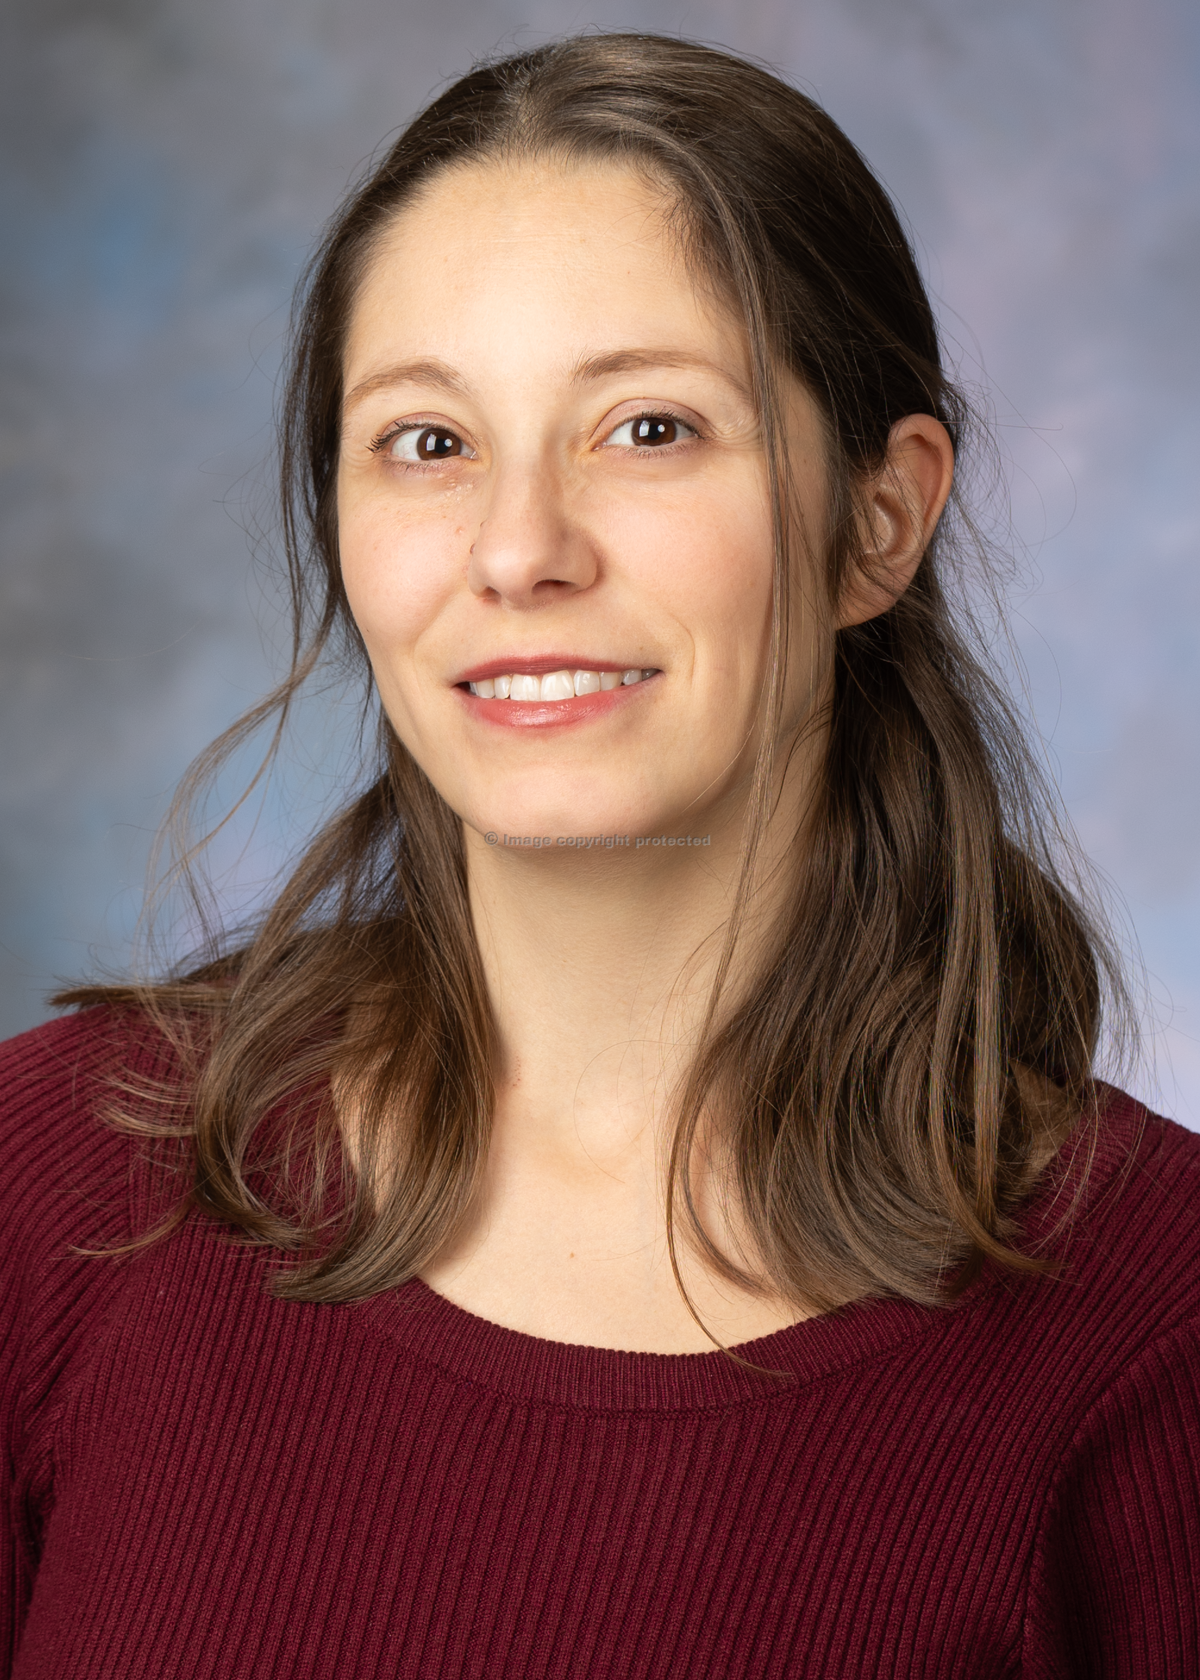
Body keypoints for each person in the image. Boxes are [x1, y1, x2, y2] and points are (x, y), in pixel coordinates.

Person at [1, 31, 1197, 1679]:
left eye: (647, 429)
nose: (517, 549)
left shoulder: (1157, 1328)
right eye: (429, 443)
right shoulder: (56, 1186)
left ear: (879, 520)